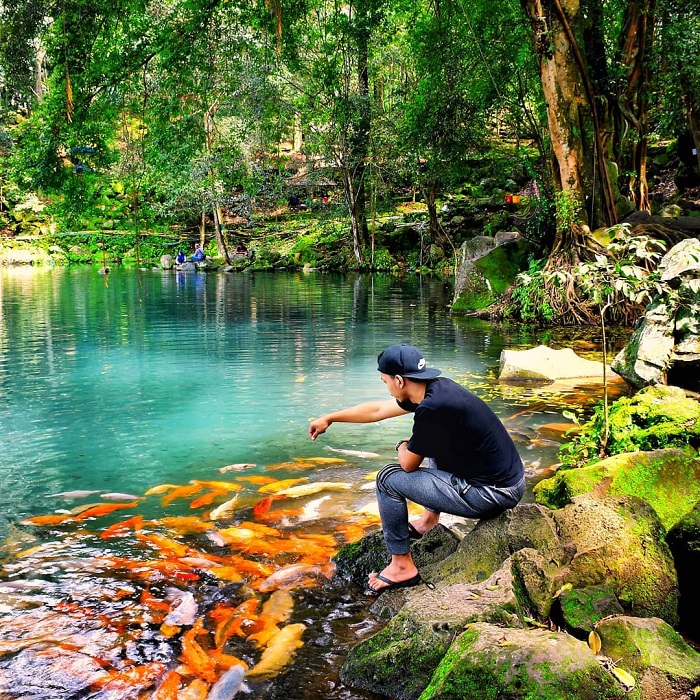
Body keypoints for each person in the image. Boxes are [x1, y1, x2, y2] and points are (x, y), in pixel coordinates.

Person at [308, 343, 524, 593]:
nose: (386, 388)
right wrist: (330, 418)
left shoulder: (432, 409)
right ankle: (429, 522)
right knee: (432, 444)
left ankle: (402, 566)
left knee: (387, 479)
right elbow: (378, 410)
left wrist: (403, 444)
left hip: (492, 493)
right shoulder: (435, 389)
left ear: (399, 380)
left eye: (384, 381)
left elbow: (408, 464)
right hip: (508, 481)